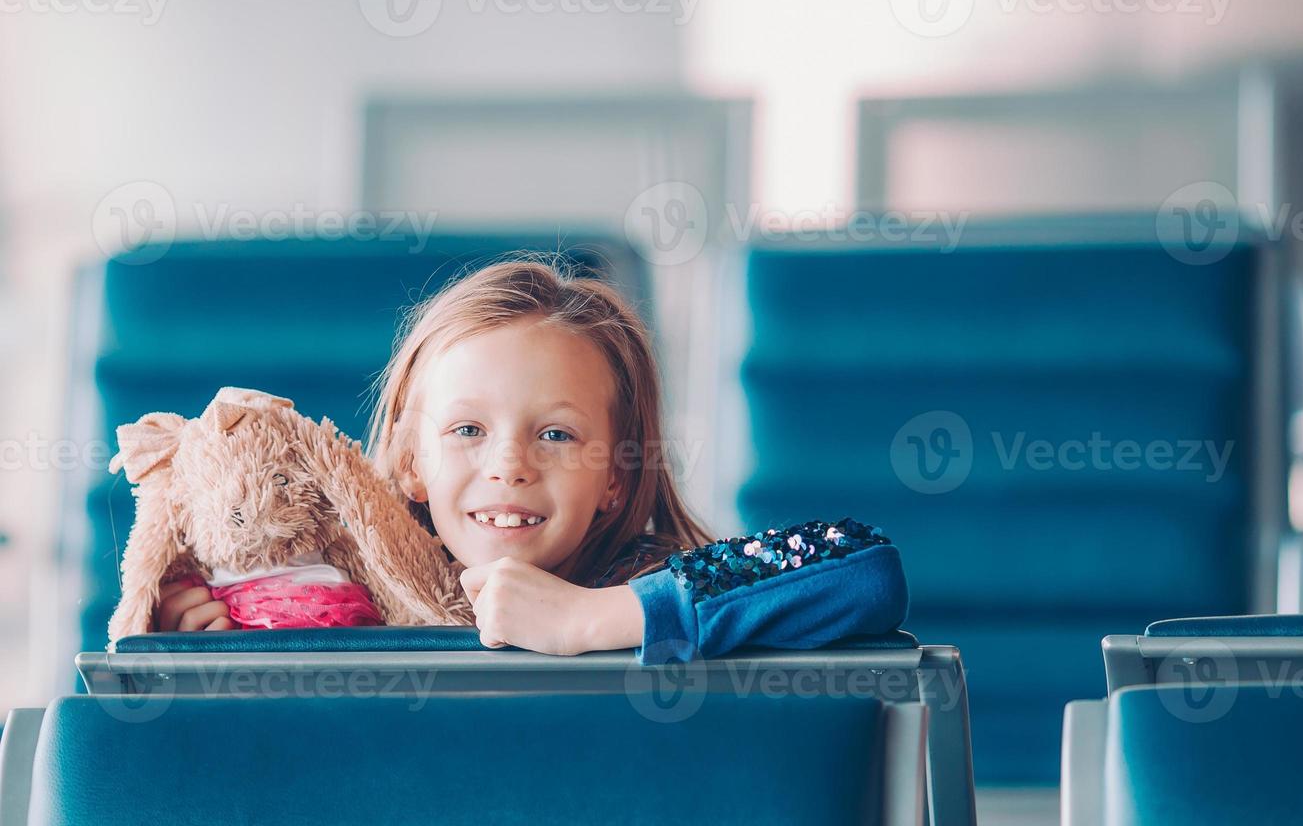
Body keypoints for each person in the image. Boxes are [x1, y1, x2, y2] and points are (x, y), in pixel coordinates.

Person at [152, 259, 908, 663]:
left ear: (615, 477)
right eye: (468, 430)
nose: (509, 464)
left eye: (556, 435)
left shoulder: (642, 583)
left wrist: (596, 618)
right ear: (411, 461)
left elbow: (863, 570)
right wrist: (214, 657)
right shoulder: (349, 594)